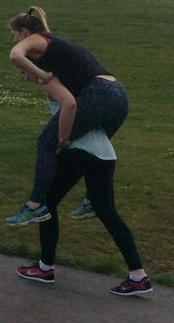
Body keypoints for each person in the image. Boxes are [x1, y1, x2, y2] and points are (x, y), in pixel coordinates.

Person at [4, 6, 128, 227]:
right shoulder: (54, 44)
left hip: (100, 93)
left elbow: (15, 55)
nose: (14, 39)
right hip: (118, 95)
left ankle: (35, 206)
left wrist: (41, 75)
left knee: (46, 141)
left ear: (24, 31)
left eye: (14, 33)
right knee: (93, 147)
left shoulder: (37, 40)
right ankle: (92, 200)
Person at [15, 122, 153, 296]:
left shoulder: (71, 101)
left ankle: (45, 268)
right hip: (105, 153)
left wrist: (62, 139)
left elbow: (70, 108)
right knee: (107, 211)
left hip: (79, 150)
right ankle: (138, 276)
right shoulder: (101, 101)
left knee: (47, 201)